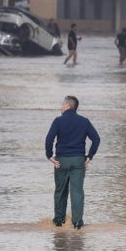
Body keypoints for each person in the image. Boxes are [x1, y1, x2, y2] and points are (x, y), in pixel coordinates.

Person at [45, 96, 100, 230]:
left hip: (61, 161)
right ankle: (77, 223)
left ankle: (58, 222)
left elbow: (49, 139)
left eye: (62, 105)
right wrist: (89, 157)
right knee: (77, 192)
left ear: (67, 105)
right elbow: (96, 139)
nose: (61, 107)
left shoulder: (58, 121)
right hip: (78, 160)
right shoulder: (84, 121)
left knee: (60, 192)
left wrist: (49, 156)